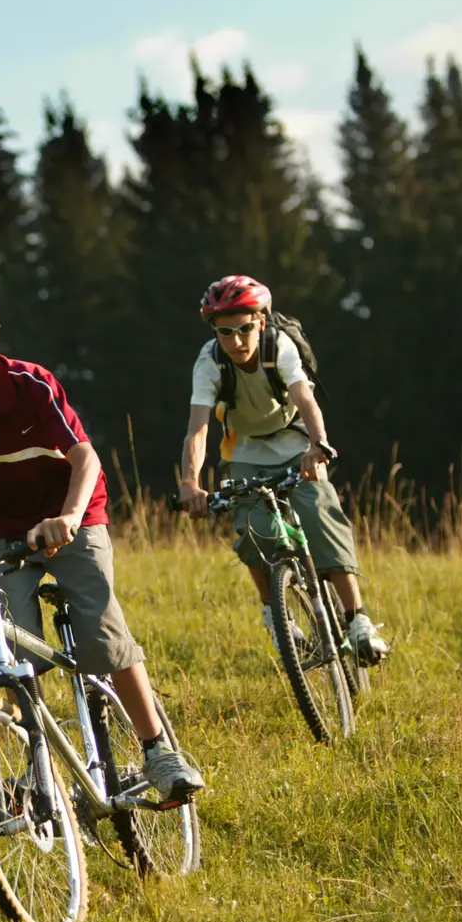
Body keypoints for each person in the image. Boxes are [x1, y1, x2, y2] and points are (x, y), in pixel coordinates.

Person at [0, 282, 204, 802]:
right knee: (16, 653)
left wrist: (68, 517)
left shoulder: (30, 383)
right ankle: (38, 769)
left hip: (71, 515)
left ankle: (158, 748)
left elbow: (84, 458)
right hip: (1, 535)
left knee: (101, 631)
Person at [178, 274, 391, 664]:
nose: (237, 341)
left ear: (261, 321)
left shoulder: (280, 346)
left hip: (296, 443)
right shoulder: (209, 361)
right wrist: (190, 482)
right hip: (245, 449)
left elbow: (306, 401)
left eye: (245, 328)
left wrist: (317, 446)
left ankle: (357, 619)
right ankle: (275, 616)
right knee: (251, 530)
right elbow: (198, 428)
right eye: (226, 332)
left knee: (320, 512)